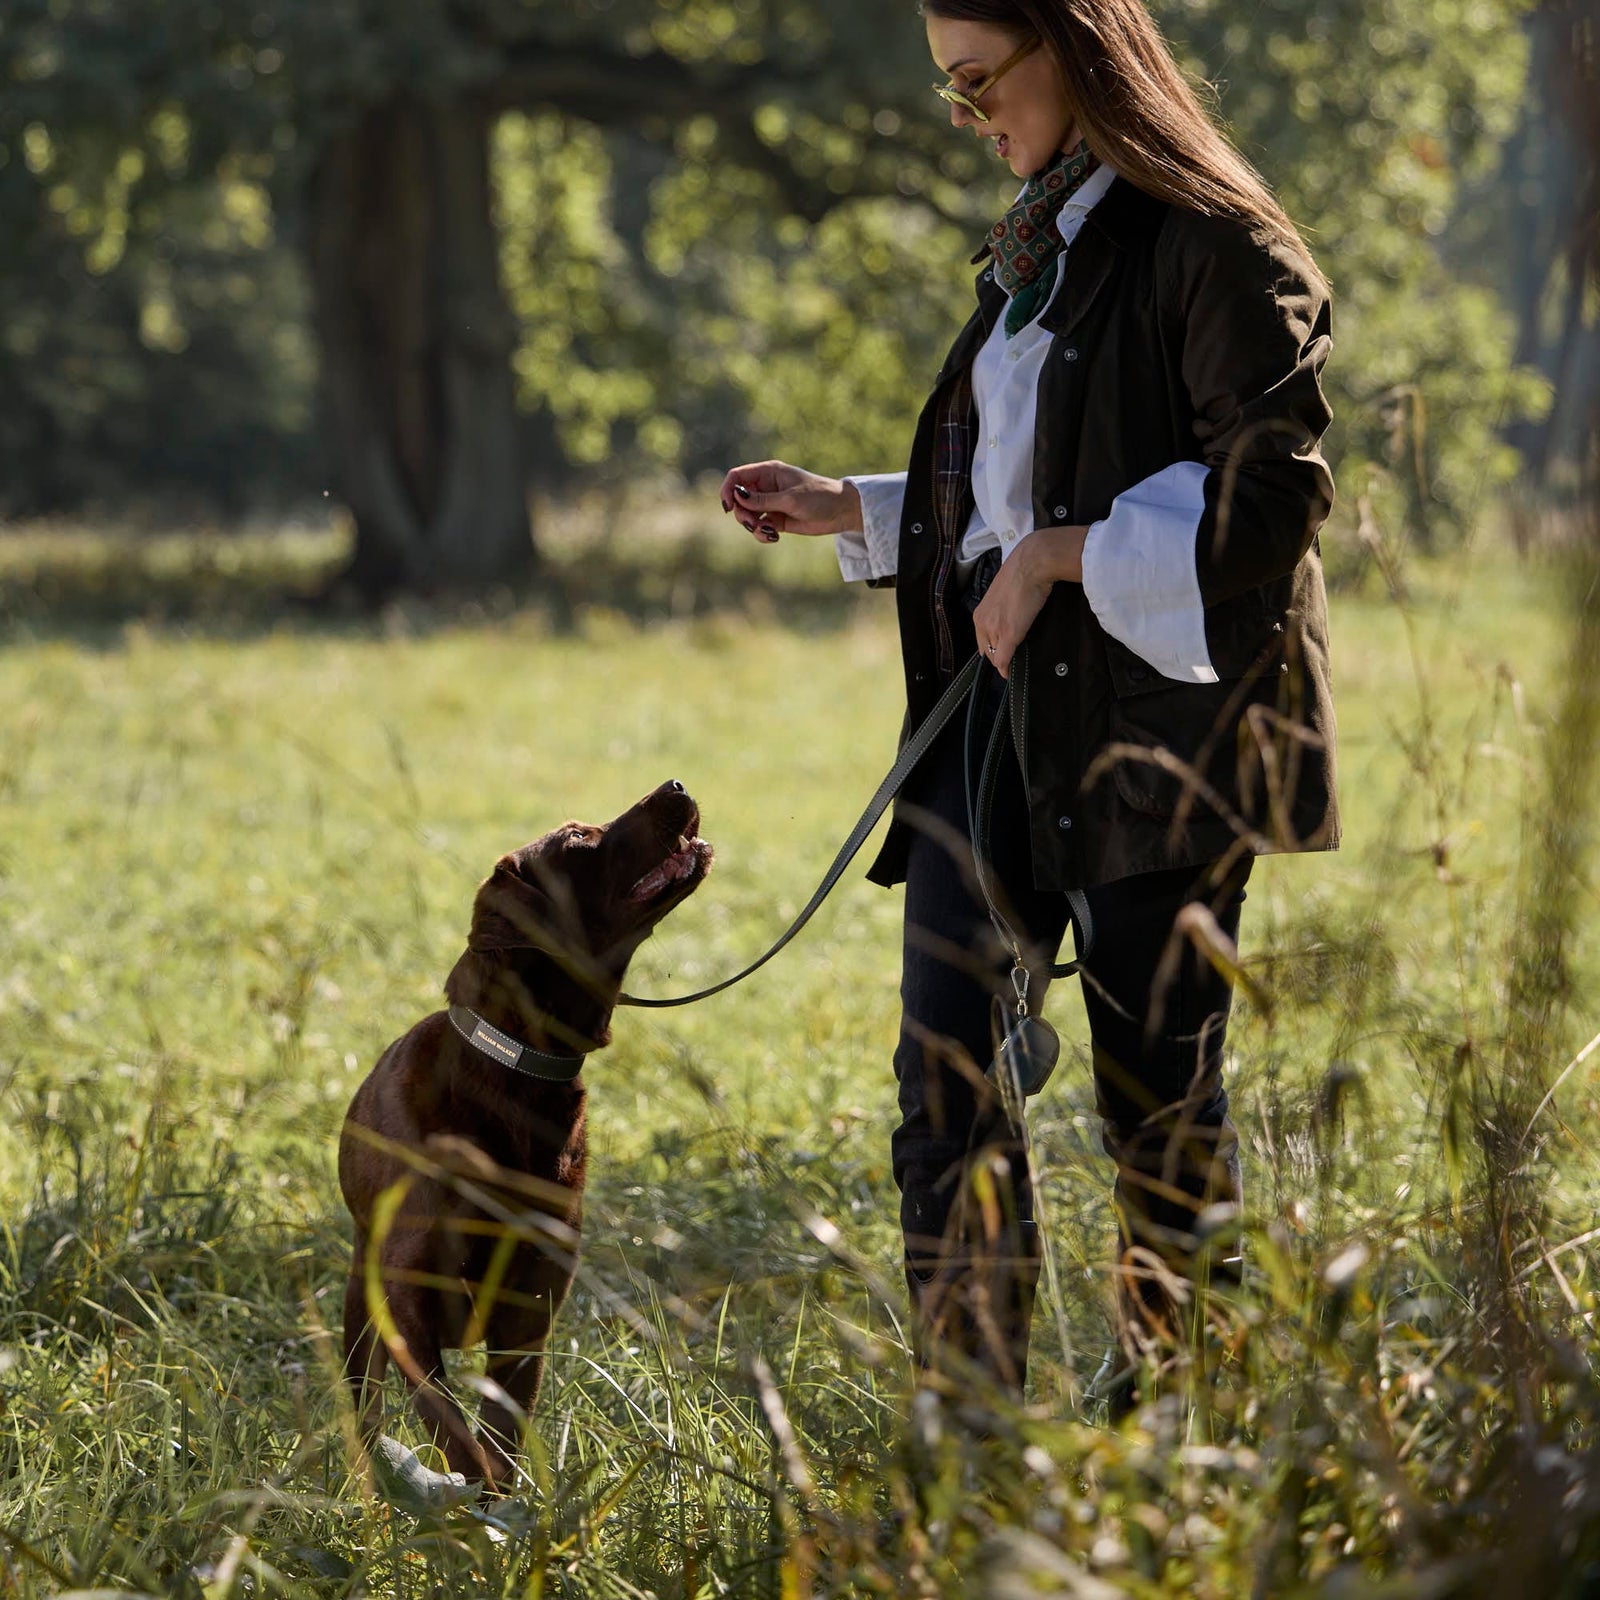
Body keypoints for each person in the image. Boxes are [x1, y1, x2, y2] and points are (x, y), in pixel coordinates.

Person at [719, 0, 1338, 1403]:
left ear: (1081, 45)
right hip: (1000, 720)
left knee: (1155, 1108)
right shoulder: (1036, 243)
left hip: (1162, 735)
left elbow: (1277, 497)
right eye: (953, 90)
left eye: (982, 78)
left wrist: (1065, 556)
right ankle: (976, 1436)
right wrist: (856, 508)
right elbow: (1023, 490)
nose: (971, 113)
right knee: (944, 1089)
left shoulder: (1220, 241)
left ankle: (1188, 1434)